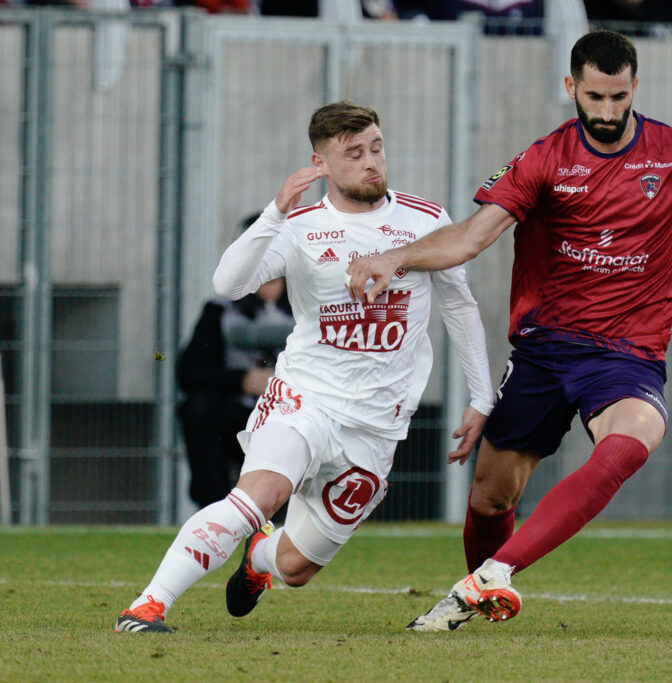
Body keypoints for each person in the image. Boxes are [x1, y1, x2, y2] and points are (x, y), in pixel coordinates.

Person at [346, 29, 672, 631]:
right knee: (489, 496)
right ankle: (480, 601)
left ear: (636, 87)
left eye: (618, 98)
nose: (606, 113)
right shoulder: (544, 159)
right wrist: (397, 256)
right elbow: (474, 237)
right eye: (594, 98)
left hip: (628, 353)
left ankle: (493, 576)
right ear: (571, 88)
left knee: (630, 442)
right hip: (544, 351)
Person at [115, 100, 494, 633]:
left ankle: (258, 560)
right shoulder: (300, 228)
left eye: (377, 148)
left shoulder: (425, 220)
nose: (372, 163)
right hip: (305, 399)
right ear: (320, 163)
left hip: (376, 424)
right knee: (256, 497)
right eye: (354, 153)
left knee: (297, 567)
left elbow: (458, 304)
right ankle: (147, 606)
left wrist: (482, 396)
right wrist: (274, 213)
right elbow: (228, 284)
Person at [177, 252, 292, 510]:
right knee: (198, 407)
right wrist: (241, 380)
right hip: (237, 414)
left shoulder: (309, 306)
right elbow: (190, 371)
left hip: (289, 412)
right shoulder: (220, 311)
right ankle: (214, 508)